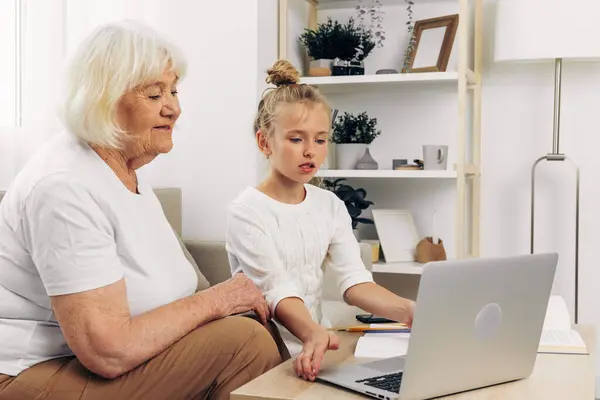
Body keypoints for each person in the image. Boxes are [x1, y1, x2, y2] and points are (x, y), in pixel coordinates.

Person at [0, 21, 282, 400]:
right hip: (32, 371)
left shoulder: (126, 171)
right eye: (154, 95)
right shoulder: (63, 186)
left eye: (174, 90)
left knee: (253, 326)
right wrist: (217, 300)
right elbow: (107, 349)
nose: (175, 108)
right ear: (104, 101)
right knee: (243, 343)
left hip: (85, 363)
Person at [225, 59, 416, 383]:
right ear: (264, 142)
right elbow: (277, 290)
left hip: (318, 348)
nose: (310, 151)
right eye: (296, 139)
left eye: (320, 139)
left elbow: (354, 282)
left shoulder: (329, 205)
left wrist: (409, 310)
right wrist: (312, 332)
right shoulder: (246, 211)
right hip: (266, 353)